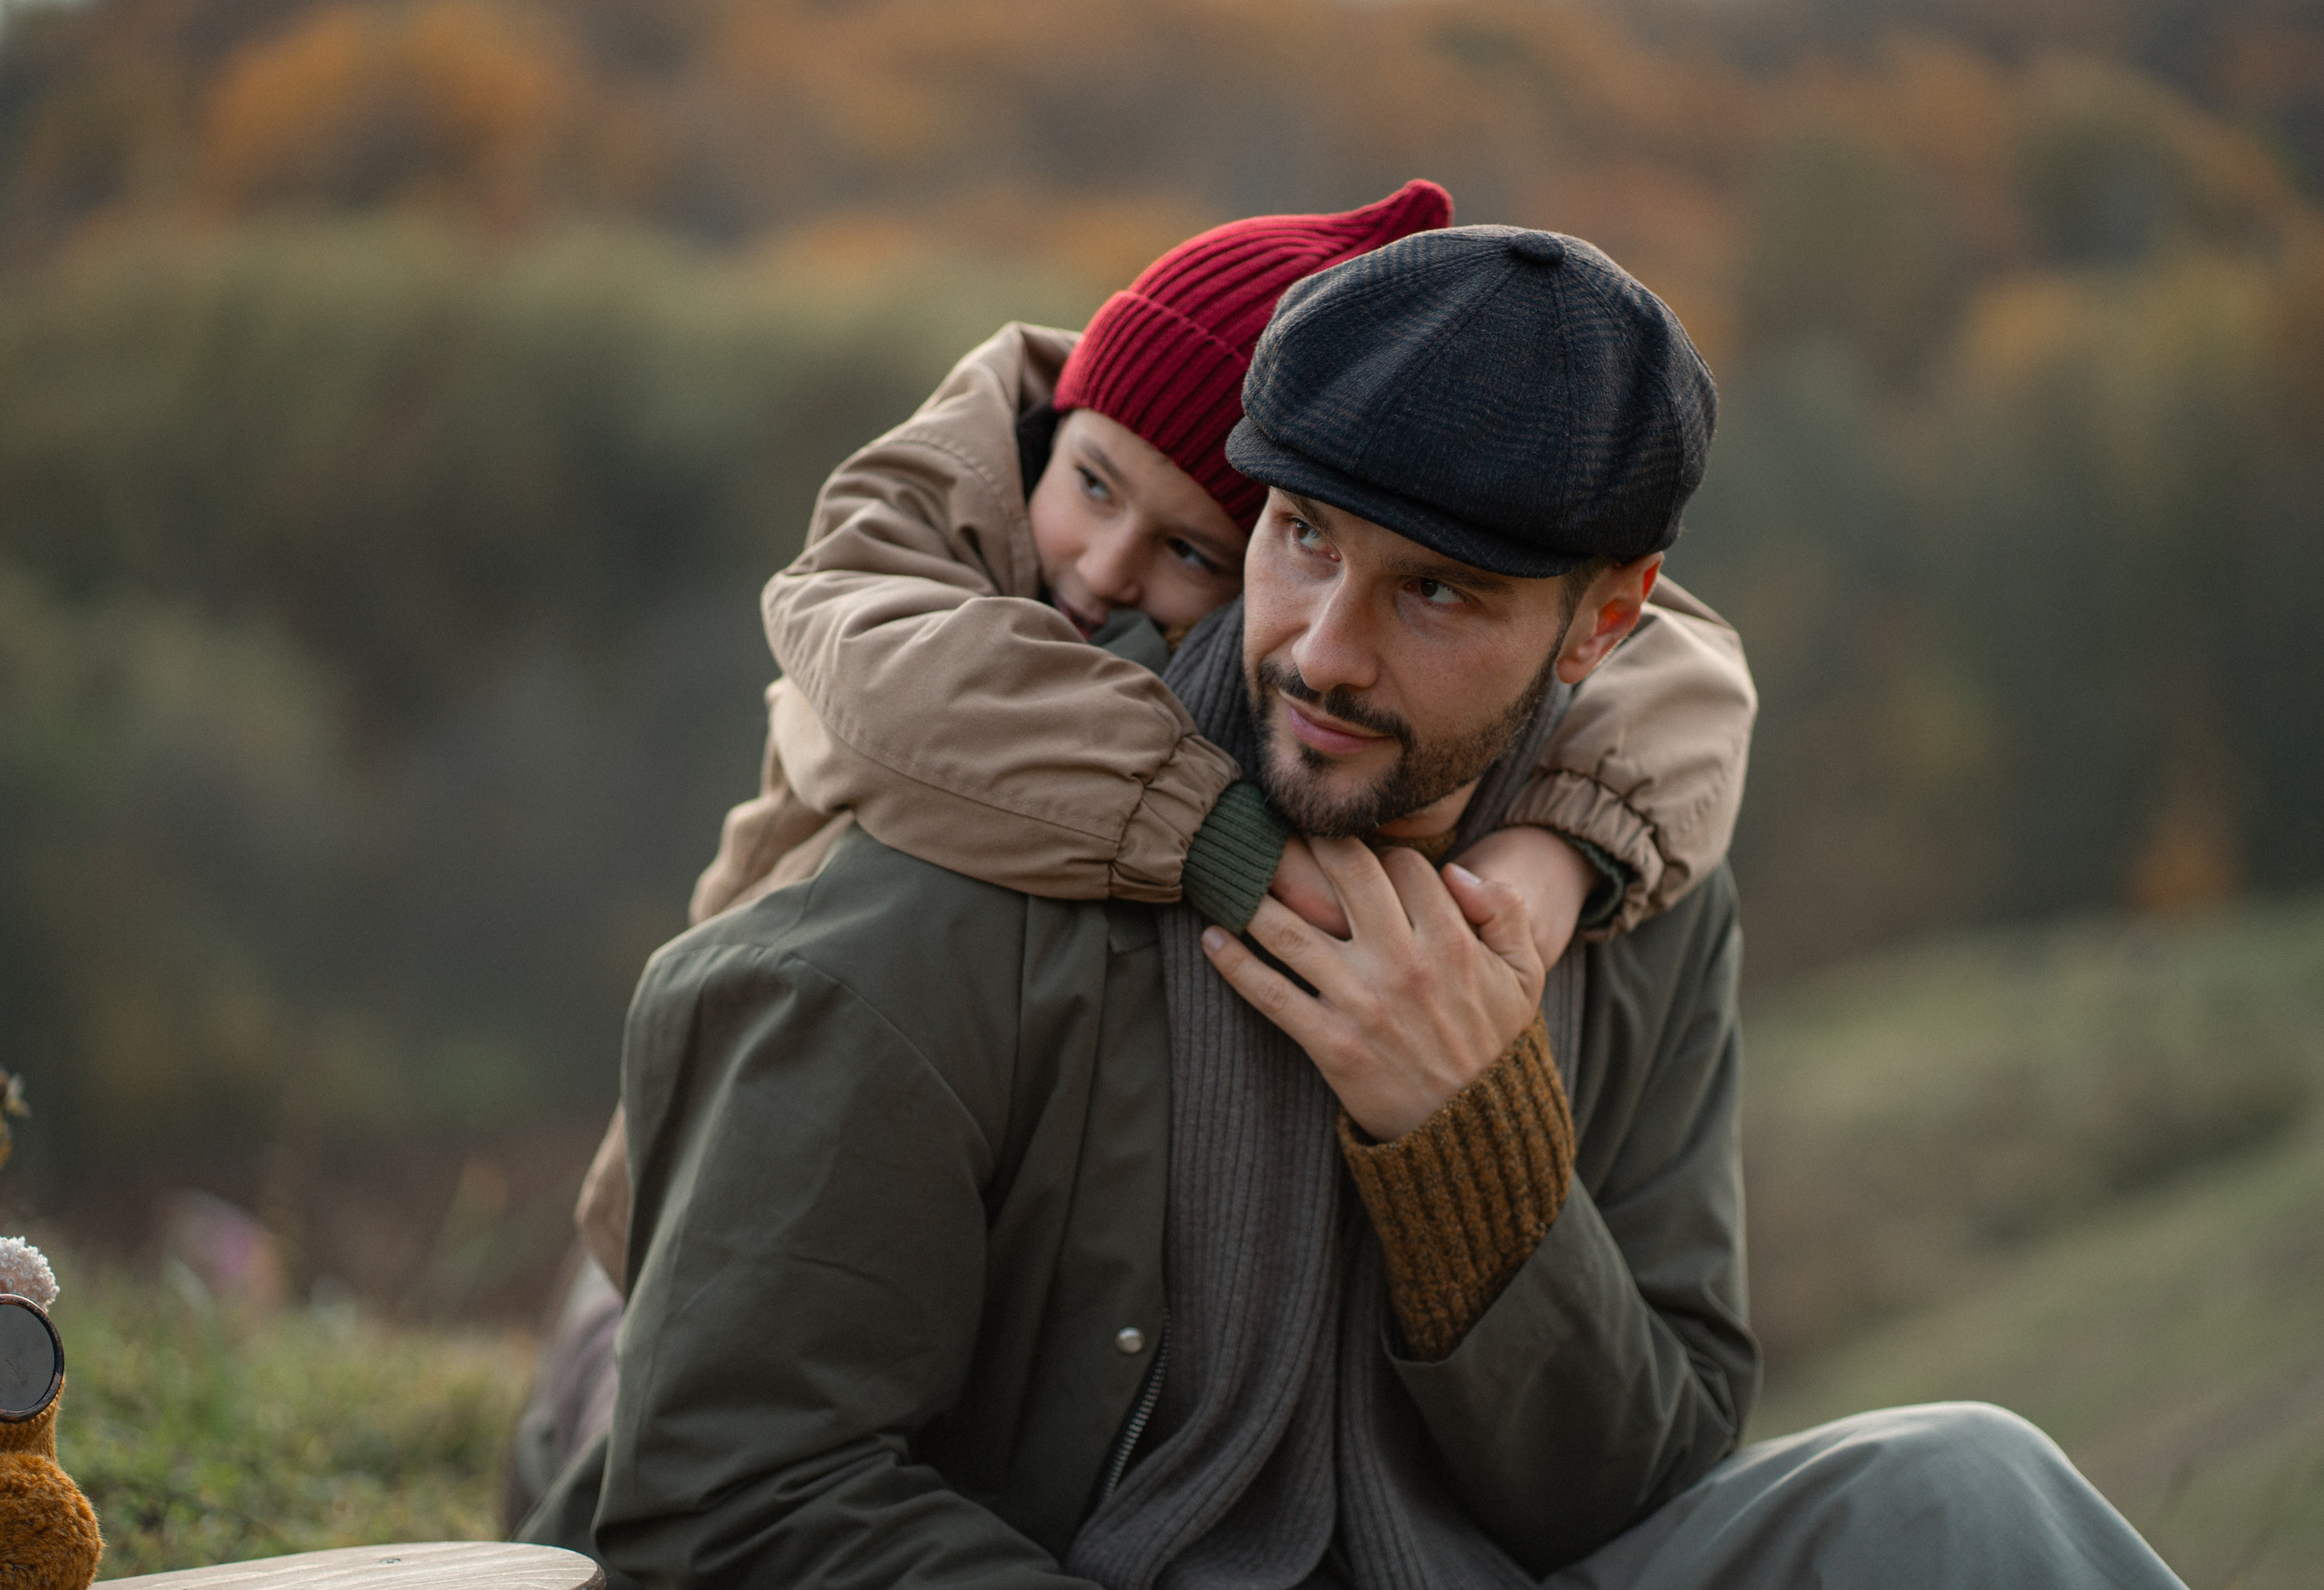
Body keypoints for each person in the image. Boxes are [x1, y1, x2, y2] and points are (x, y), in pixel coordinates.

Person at [518, 227, 2182, 1586]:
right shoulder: (976, 872)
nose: (1322, 648)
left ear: (1605, 626)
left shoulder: (1640, 904)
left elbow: (1652, 1473)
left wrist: (1475, 1145)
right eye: (1299, 537)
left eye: (1436, 593)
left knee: (1975, 1489)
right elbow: (725, 1494)